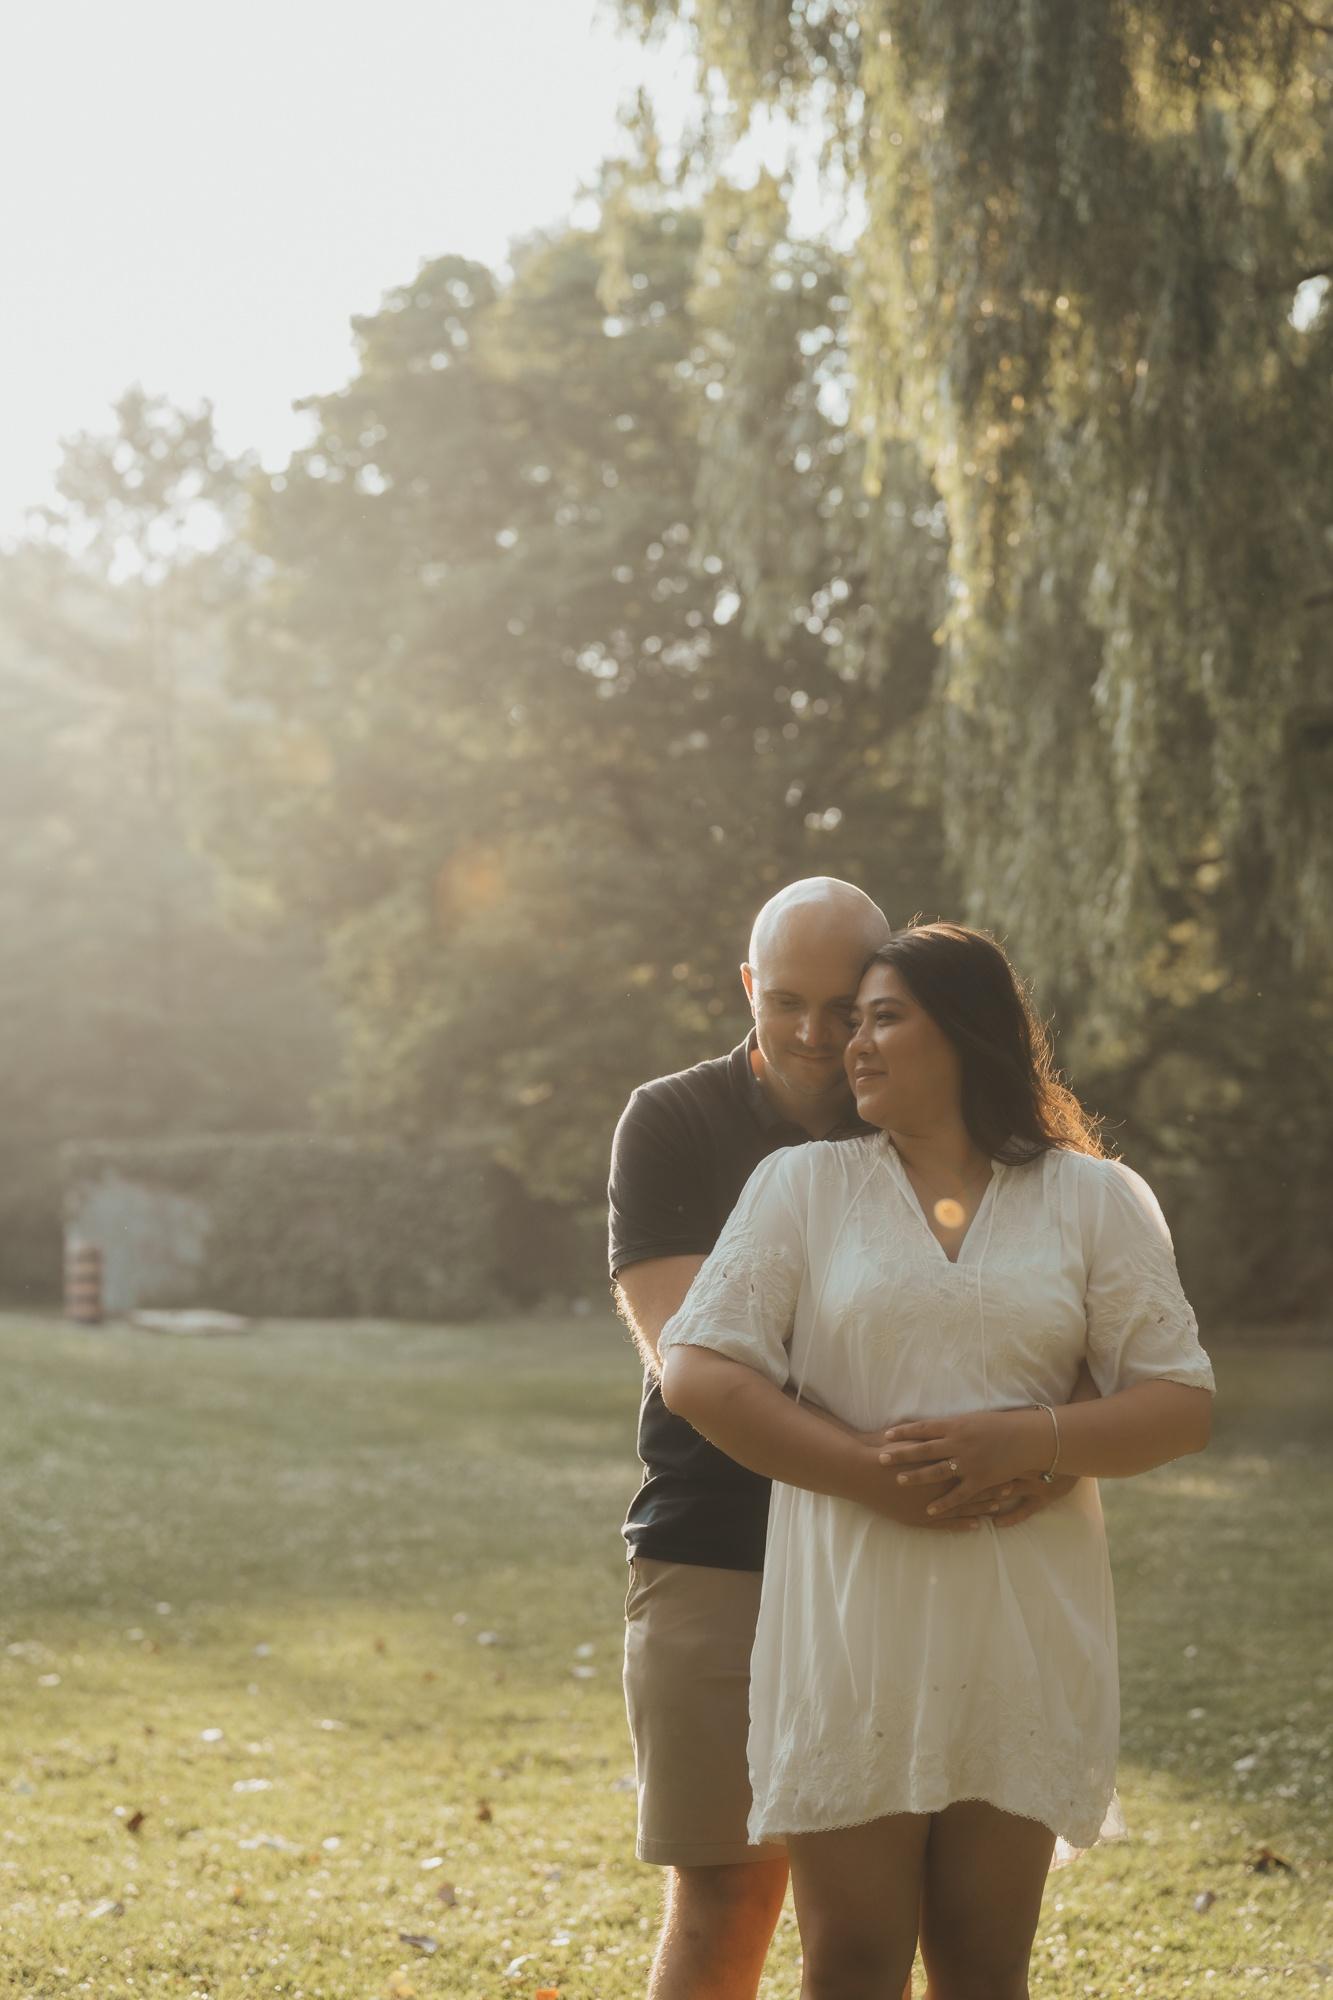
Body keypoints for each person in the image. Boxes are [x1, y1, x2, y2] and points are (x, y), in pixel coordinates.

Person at [657, 922, 1215, 2000]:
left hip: (1022, 1620)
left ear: (966, 1031)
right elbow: (698, 1374)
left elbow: (1178, 1399)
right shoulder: (802, 1187)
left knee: (982, 1962)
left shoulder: (1092, 1197)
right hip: (852, 1613)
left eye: (882, 1018)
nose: (851, 1045)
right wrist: (871, 1471)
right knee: (854, 1957)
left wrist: (1036, 1437)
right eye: (849, 1022)